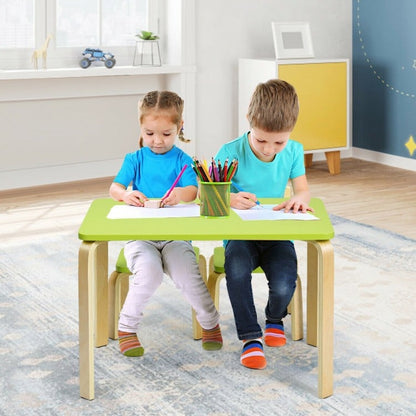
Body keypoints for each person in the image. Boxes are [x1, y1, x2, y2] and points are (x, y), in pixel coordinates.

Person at [110, 90, 222, 356]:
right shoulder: (134, 159)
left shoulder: (183, 161)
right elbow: (114, 188)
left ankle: (210, 324)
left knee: (188, 276)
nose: (157, 141)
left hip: (176, 236)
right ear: (141, 127)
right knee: (149, 273)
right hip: (142, 236)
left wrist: (178, 196)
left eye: (166, 134)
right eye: (149, 133)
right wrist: (126, 194)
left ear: (179, 127)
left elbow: (192, 192)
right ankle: (127, 327)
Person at [215, 79, 312, 369]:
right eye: (261, 140)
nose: (270, 149)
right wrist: (229, 197)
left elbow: (303, 190)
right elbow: (207, 191)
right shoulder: (230, 152)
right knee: (236, 272)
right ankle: (250, 337)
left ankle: (274, 318)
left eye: (279, 142)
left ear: (291, 131)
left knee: (285, 281)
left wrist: (300, 199)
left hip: (277, 232)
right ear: (249, 120)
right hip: (239, 235)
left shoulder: (294, 152)